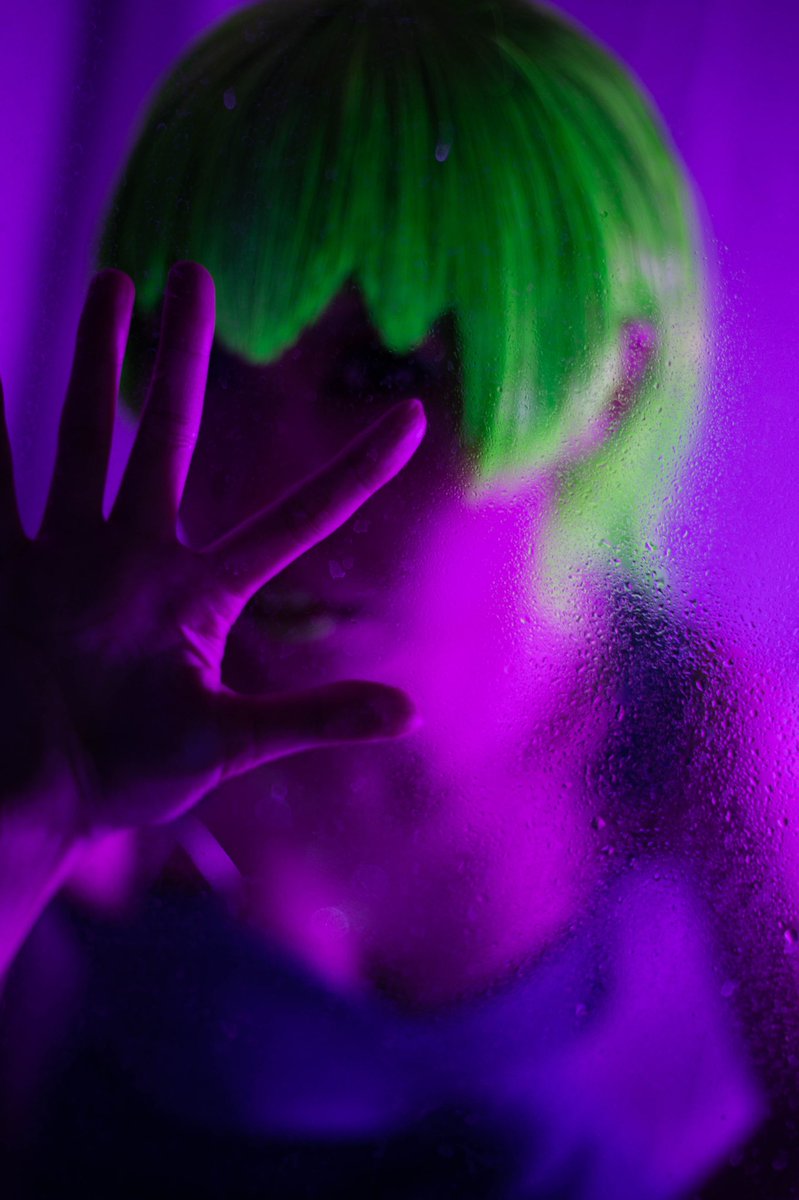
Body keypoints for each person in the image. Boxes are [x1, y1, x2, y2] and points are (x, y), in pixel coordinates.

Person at [0, 1, 794, 1196]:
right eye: (195, 361)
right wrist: (27, 805)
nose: (257, 479)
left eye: (380, 371)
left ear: (605, 388)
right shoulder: (104, 669)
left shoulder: (691, 723)